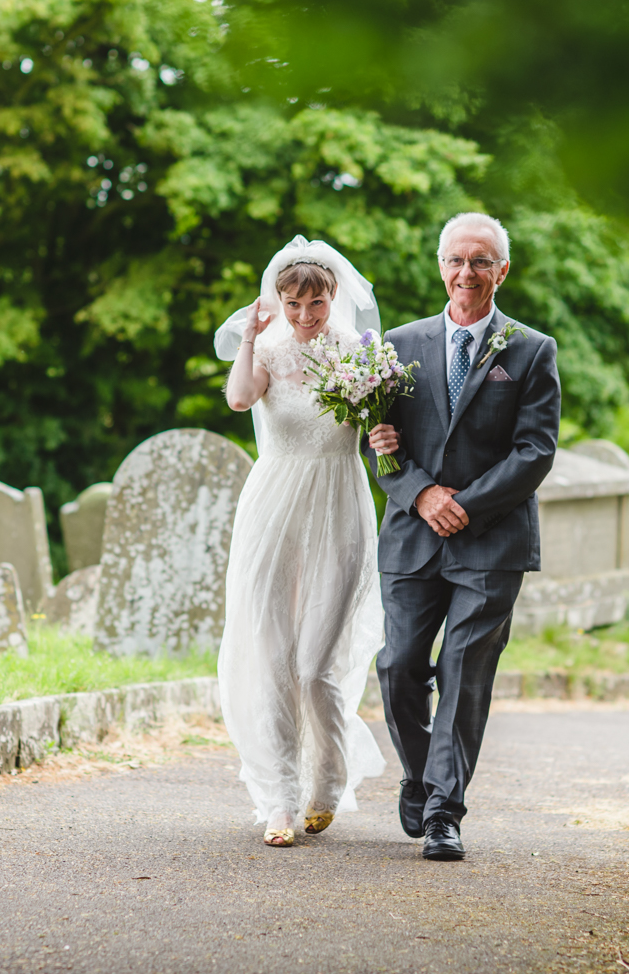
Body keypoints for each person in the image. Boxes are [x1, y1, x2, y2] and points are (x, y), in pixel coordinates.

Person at [367, 212, 560, 862]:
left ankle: (446, 809)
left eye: (481, 261)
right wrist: (421, 492)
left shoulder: (532, 350)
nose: (466, 273)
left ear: (502, 270)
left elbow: (535, 451)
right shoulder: (397, 343)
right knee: (397, 666)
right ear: (440, 266)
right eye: (456, 260)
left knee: (463, 669)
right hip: (411, 535)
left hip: (492, 539)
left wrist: (465, 506)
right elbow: (381, 445)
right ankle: (419, 775)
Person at [213, 236, 394, 847]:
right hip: (273, 509)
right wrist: (249, 337)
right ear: (279, 302)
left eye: (314, 304)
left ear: (331, 297)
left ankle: (329, 779)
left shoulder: (361, 354)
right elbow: (239, 398)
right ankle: (281, 802)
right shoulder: (267, 348)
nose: (304, 316)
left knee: (316, 663)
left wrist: (383, 438)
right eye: (293, 305)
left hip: (339, 506)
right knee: (273, 657)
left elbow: (381, 430)